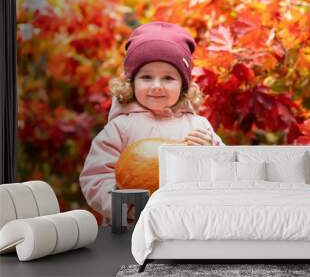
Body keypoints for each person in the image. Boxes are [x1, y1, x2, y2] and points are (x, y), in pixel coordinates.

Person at [79, 22, 224, 225]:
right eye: (147, 77)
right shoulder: (120, 128)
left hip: (188, 224)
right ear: (132, 83)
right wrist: (127, 208)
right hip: (131, 227)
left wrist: (211, 155)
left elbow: (227, 172)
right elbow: (96, 178)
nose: (157, 86)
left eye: (168, 78)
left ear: (183, 85)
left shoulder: (199, 127)